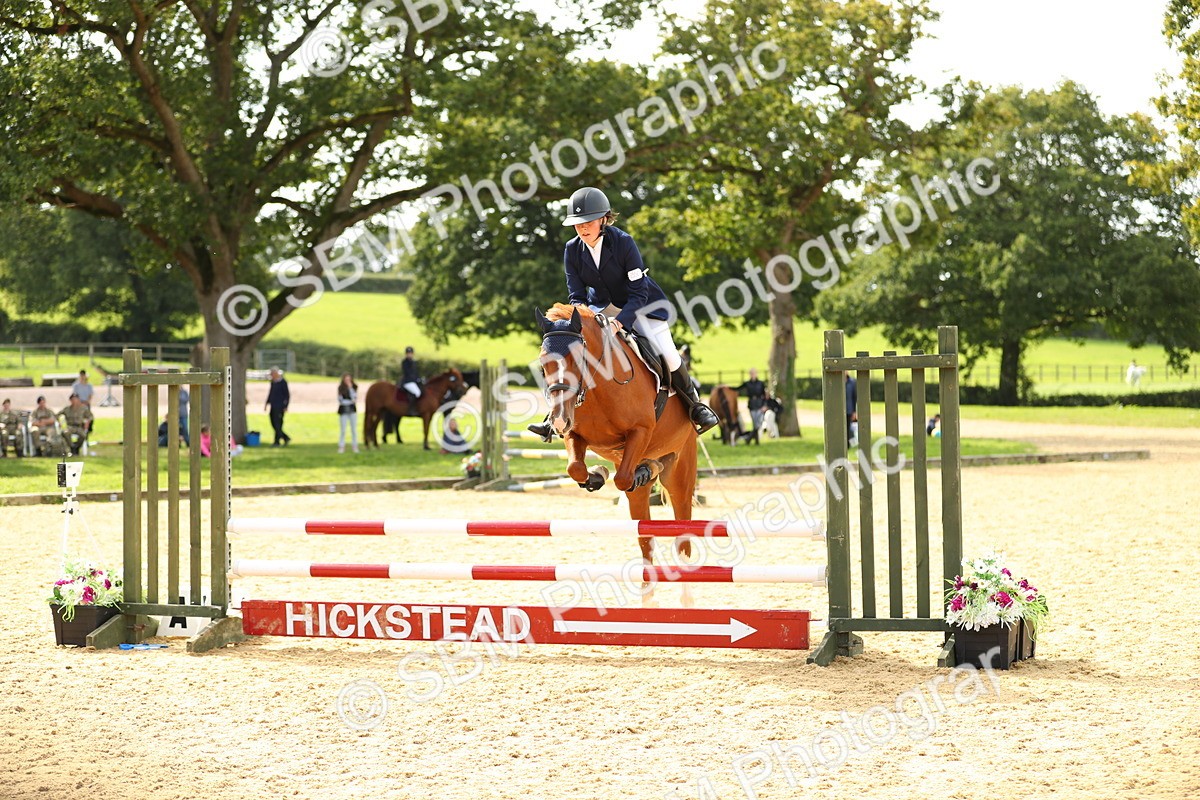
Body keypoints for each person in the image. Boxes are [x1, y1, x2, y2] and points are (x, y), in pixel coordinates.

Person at [528, 186, 718, 440]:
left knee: (670, 355)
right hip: (599, 308)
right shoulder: (572, 249)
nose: (583, 228)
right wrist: (584, 321)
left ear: (604, 219)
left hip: (642, 305)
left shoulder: (623, 243)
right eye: (577, 224)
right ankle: (555, 417)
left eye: (588, 222)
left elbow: (638, 293)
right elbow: (577, 296)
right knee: (571, 351)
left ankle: (696, 407)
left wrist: (621, 323)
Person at [736, 368, 768, 442]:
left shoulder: (761, 383)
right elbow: (738, 388)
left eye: (754, 373)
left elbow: (765, 395)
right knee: (755, 424)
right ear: (750, 374)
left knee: (758, 424)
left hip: (760, 405)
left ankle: (748, 438)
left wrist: (765, 405)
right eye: (751, 373)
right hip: (752, 406)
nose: (753, 375)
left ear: (756, 374)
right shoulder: (747, 384)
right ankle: (756, 441)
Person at [265, 367, 291, 447]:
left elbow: (287, 395)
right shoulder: (273, 382)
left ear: (276, 374)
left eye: (272, 374)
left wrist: (286, 406)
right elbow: (270, 393)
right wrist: (266, 403)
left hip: (280, 406)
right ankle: (285, 437)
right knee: (273, 423)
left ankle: (277, 442)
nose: (271, 376)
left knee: (278, 424)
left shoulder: (283, 382)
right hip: (273, 405)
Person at [337, 373, 359, 454]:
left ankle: (355, 446)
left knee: (354, 429)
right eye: (346, 380)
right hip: (343, 410)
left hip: (352, 410)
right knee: (343, 429)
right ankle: (341, 446)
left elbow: (354, 398)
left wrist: (350, 389)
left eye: (349, 380)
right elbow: (340, 400)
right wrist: (349, 401)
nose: (347, 381)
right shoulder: (340, 388)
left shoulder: (354, 387)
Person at [70, 370, 95, 439]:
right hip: (79, 404)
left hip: (86, 405)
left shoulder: (89, 385)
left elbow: (90, 395)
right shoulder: (76, 385)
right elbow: (75, 395)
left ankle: (87, 435)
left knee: (89, 419)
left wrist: (87, 402)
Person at [399, 346, 422, 415]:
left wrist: (419, 378)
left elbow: (416, 372)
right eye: (408, 353)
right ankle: (411, 409)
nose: (409, 354)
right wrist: (415, 379)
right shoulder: (404, 362)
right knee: (417, 393)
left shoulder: (414, 362)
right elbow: (407, 373)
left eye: (410, 353)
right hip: (408, 382)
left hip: (414, 381)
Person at [845, 373, 858, 446]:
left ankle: (848, 444)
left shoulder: (852, 382)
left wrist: (854, 412)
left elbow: (854, 397)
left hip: (849, 409)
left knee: (848, 428)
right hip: (839, 410)